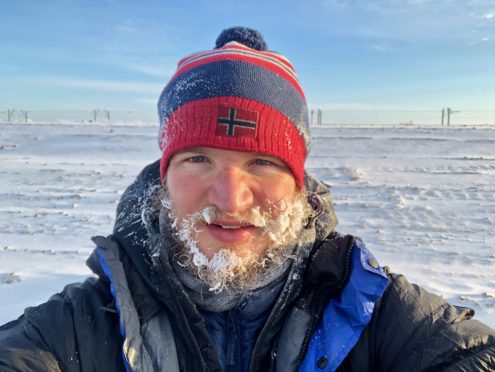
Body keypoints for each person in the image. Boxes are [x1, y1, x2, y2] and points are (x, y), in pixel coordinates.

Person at [0, 26, 494, 372]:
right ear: (163, 178)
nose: (230, 197)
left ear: (299, 184)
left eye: (262, 162)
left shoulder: (369, 307)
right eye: (197, 159)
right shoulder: (83, 323)